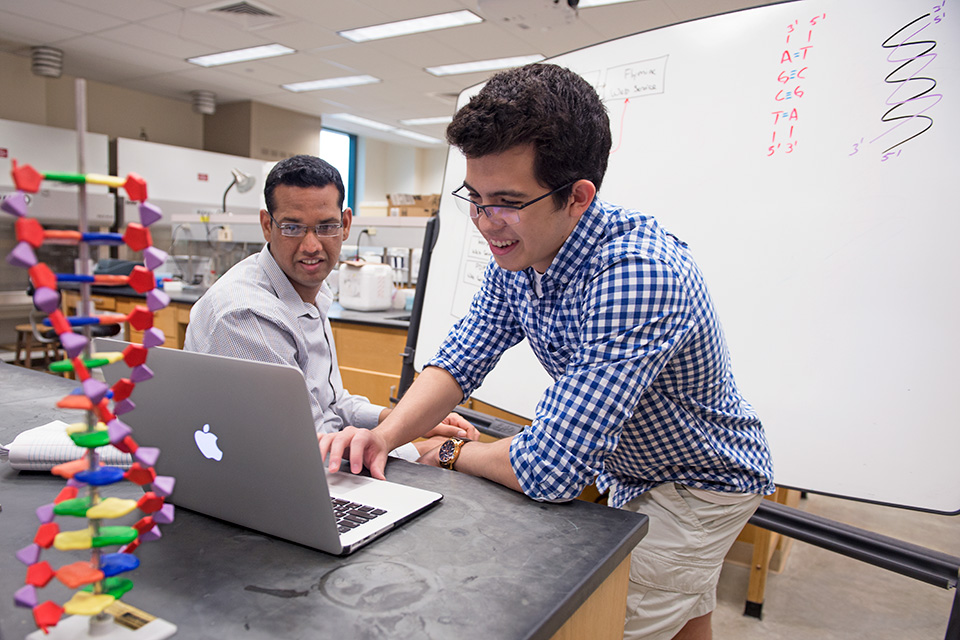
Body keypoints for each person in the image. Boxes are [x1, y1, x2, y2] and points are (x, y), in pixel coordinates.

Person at [318, 65, 775, 639]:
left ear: (577, 197)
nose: (486, 224)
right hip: (636, 470)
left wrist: (450, 453)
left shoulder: (636, 276)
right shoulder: (525, 251)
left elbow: (550, 469)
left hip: (696, 483)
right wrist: (387, 436)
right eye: (475, 199)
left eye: (505, 201)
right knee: (684, 616)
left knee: (600, 622)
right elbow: (462, 357)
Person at [184, 155, 477, 458]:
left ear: (346, 224)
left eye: (325, 227)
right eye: (292, 228)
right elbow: (304, 450)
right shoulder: (248, 316)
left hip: (309, 463)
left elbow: (332, 403)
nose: (311, 246)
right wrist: (419, 449)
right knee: (447, 463)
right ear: (266, 225)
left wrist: (406, 423)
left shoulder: (309, 292)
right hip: (275, 478)